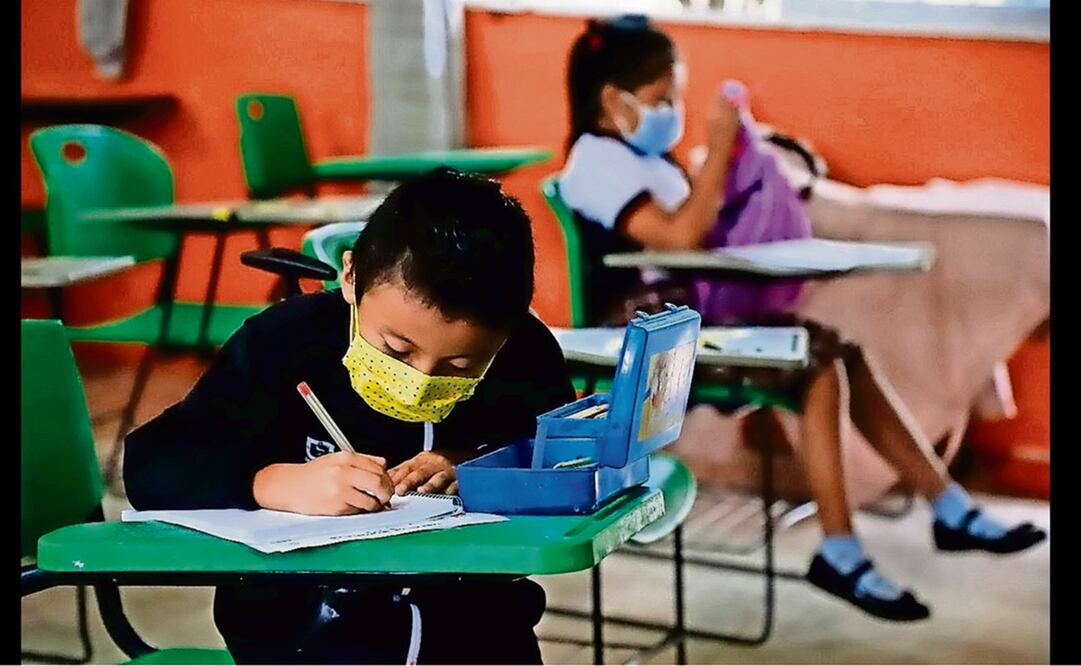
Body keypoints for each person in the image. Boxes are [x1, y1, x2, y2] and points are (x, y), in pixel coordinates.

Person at [558, 14, 1046, 622]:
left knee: (842, 350)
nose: (674, 112)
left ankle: (948, 508)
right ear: (612, 99)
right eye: (664, 100)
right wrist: (717, 150)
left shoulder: (642, 160)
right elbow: (682, 237)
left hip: (687, 318)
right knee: (816, 370)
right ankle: (841, 551)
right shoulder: (596, 161)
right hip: (644, 335)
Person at [124, 168, 576, 663]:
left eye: (461, 365)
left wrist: (481, 468)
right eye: (395, 348)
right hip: (301, 641)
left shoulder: (525, 356)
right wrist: (272, 483)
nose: (421, 379)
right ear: (350, 276)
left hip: (480, 636)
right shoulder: (284, 343)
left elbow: (570, 466)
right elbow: (153, 464)